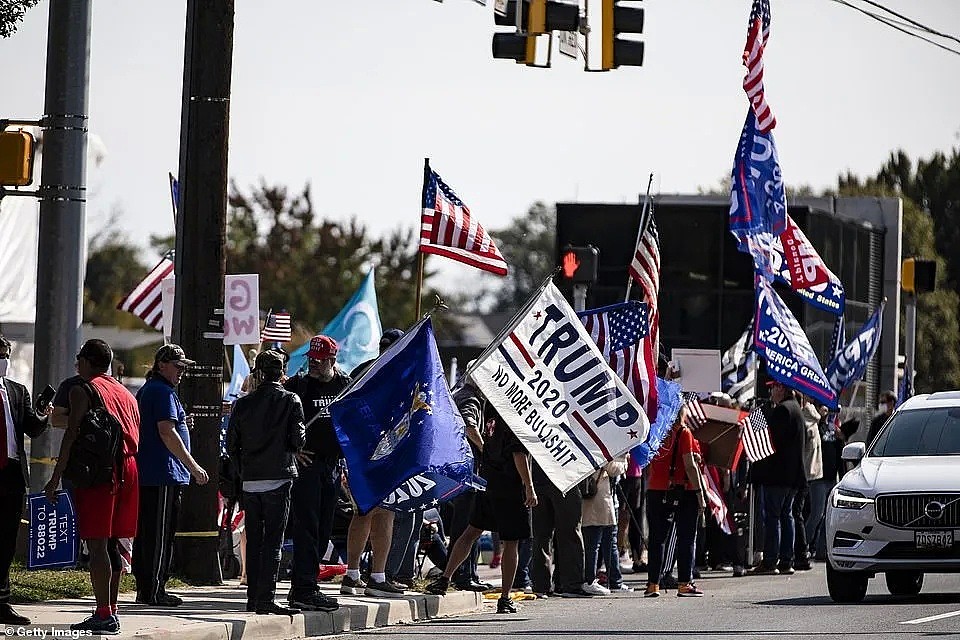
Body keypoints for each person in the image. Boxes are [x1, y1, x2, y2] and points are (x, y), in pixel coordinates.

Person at [46, 339, 140, 634]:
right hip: (130, 468)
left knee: (97, 543)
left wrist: (55, 477)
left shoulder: (82, 389)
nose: (77, 366)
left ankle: (103, 613)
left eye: (79, 360)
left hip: (102, 472)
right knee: (112, 543)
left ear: (86, 361)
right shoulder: (126, 393)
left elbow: (71, 434)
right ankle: (111, 609)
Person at [426, 381, 537, 615]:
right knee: (511, 542)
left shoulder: (491, 412)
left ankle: (445, 578)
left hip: (490, 481)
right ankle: (505, 597)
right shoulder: (514, 416)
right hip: (510, 485)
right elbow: (519, 454)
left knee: (471, 531)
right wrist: (529, 486)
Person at [227, 351, 318, 615]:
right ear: (281, 373)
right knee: (273, 541)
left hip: (251, 480)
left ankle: (253, 597)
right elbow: (297, 441)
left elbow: (232, 445)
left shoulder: (242, 405)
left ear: (257, 372)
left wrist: (243, 471)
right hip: (278, 477)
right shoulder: (291, 399)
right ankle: (265, 598)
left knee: (254, 540)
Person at [133, 344, 209, 607]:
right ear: (162, 365)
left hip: (154, 474)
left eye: (184, 368)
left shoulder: (153, 390)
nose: (181, 373)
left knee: (149, 534)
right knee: (159, 536)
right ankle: (154, 589)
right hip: (161, 473)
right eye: (178, 367)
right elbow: (167, 431)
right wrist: (192, 465)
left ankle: (147, 588)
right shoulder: (161, 391)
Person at [283, 335, 349, 610]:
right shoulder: (298, 385)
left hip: (332, 465)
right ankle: (304, 588)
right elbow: (279, 422)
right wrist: (293, 450)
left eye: (320, 361)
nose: (314, 365)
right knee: (306, 528)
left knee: (323, 531)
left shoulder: (345, 385)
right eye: (311, 360)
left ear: (333, 360)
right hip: (307, 467)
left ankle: (304, 585)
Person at [339, 329, 406, 598]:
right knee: (383, 512)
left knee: (364, 511)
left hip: (360, 453)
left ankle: (353, 574)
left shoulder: (362, 371)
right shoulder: (398, 373)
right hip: (380, 451)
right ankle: (376, 576)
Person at [0, 336, 50, 625]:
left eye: (6, 354)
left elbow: (33, 427)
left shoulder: (17, 392)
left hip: (12, 474)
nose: (3, 360)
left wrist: (44, 414)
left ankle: (2, 602)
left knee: (6, 541)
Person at [644, 407, 706, 598]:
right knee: (686, 537)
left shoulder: (655, 432)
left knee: (657, 538)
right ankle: (684, 583)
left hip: (655, 488)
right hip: (682, 489)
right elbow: (689, 464)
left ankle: (653, 584)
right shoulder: (683, 432)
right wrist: (700, 493)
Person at [748, 381, 806, 575]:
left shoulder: (783, 410)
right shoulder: (796, 408)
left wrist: (758, 417)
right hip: (792, 476)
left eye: (773, 388)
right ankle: (786, 560)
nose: (771, 392)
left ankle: (771, 561)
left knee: (773, 517)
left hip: (778, 475)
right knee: (786, 515)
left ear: (781, 388)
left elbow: (771, 439)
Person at [582, 455, 629, 595]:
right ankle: (590, 580)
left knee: (609, 542)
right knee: (595, 543)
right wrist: (624, 460)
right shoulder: (599, 446)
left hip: (604, 500)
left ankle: (615, 581)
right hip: (598, 500)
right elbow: (613, 468)